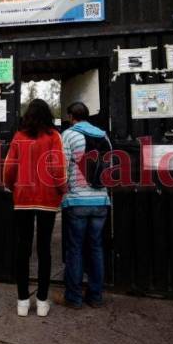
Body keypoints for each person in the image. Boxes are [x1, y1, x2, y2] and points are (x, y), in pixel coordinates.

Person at [3, 99, 67, 317]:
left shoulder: (19, 136)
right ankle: (41, 301)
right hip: (47, 197)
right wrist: (62, 188)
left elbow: (9, 167)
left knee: (23, 247)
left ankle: (22, 301)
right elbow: (57, 167)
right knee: (44, 249)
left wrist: (10, 186)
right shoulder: (54, 136)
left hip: (23, 196)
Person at [61, 101, 111, 309]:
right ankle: (96, 296)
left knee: (75, 249)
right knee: (96, 248)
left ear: (71, 116)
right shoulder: (103, 136)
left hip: (77, 200)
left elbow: (62, 167)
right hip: (101, 201)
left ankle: (74, 297)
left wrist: (62, 191)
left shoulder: (69, 135)